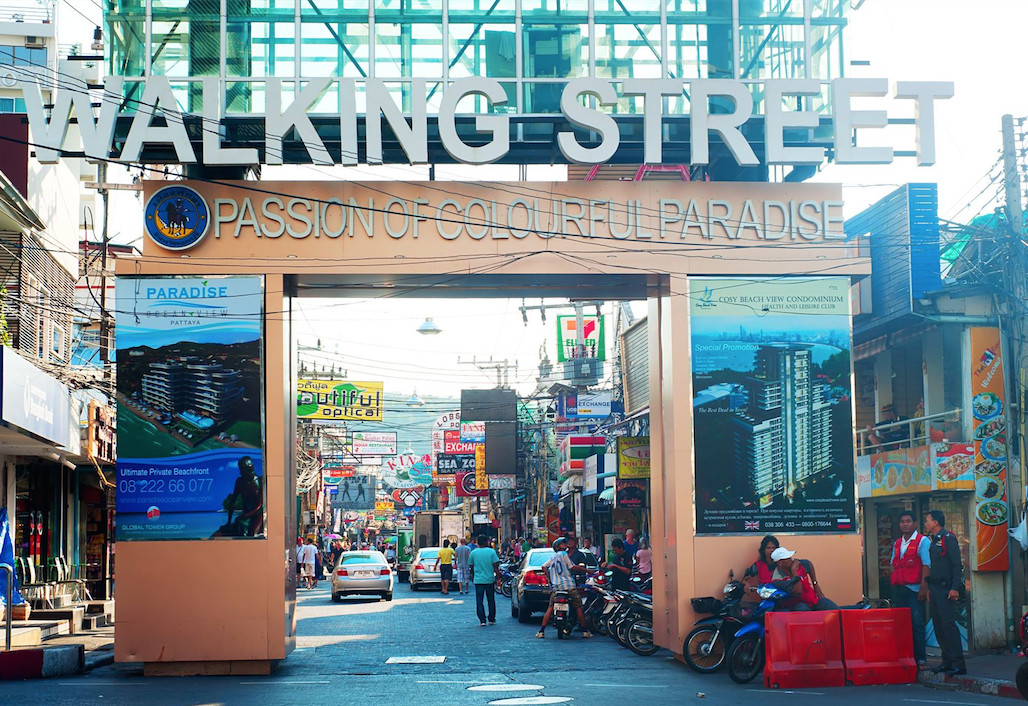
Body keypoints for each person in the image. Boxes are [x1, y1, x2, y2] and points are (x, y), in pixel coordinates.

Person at [925, 510, 966, 675]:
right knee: (938, 626)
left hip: (946, 588)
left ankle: (958, 663)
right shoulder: (933, 540)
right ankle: (947, 661)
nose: (926, 523)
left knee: (948, 626)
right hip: (935, 588)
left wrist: (955, 587)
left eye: (927, 520)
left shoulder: (948, 538)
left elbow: (957, 565)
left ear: (935, 522)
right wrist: (929, 589)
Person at [889, 510, 931, 670]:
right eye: (902, 521)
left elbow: (927, 565)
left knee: (916, 624)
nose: (905, 524)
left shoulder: (923, 541)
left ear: (914, 524)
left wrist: (923, 587)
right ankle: (904, 657)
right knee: (900, 624)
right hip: (899, 588)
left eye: (908, 521)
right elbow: (893, 563)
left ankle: (920, 659)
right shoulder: (897, 542)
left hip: (914, 589)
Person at [536, 537, 593, 639]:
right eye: (563, 544)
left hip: (557, 587)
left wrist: (551, 579)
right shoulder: (563, 554)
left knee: (550, 607)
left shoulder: (553, 558)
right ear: (558, 546)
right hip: (569, 585)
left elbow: (544, 567)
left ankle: (541, 631)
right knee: (578, 606)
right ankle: (585, 630)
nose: (565, 544)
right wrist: (587, 571)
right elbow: (572, 567)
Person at [770, 547, 837, 611]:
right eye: (787, 558)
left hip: (812, 599)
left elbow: (808, 564)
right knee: (803, 612)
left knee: (832, 608)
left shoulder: (797, 563)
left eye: (790, 557)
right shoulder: (777, 579)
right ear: (779, 563)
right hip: (797, 604)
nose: (791, 559)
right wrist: (794, 571)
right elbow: (798, 591)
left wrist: (815, 584)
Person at [468, 534, 501, 626]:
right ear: (487, 542)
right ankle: (491, 618)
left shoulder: (473, 553)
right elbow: (496, 567)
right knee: (491, 600)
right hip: (489, 579)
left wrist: (474, 575)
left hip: (478, 580)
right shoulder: (491, 552)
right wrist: (498, 578)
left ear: (477, 542)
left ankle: (482, 620)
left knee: (479, 600)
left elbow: (471, 565)